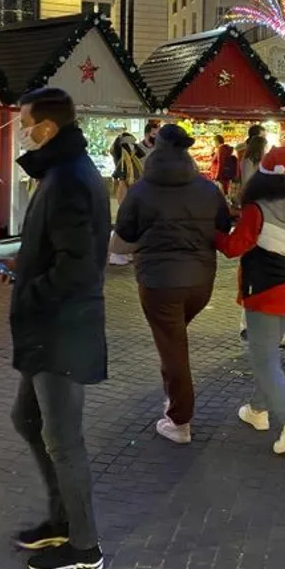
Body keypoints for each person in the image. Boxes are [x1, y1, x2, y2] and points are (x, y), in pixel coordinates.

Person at [7, 88, 108, 569]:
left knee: (64, 440)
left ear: (46, 127)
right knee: (27, 419)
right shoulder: (62, 172)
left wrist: (31, 292)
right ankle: (61, 519)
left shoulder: (67, 178)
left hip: (62, 328)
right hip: (51, 325)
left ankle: (85, 547)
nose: (21, 131)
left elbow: (77, 265)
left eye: (25, 122)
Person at [113, 124, 231, 445]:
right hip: (201, 282)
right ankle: (173, 401)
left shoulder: (141, 191)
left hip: (159, 283)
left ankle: (180, 419)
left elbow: (122, 241)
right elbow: (223, 227)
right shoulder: (208, 189)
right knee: (172, 341)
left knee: (173, 347)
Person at [216, 146, 285, 455]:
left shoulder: (256, 209)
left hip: (263, 292)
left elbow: (234, 247)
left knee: (264, 358)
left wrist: (212, 233)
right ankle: (258, 411)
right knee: (271, 354)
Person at [108, 132, 142, 266]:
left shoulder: (132, 160)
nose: (134, 147)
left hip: (133, 197)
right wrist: (124, 201)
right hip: (129, 197)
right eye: (131, 144)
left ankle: (125, 252)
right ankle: (117, 253)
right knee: (124, 225)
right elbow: (122, 183)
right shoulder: (124, 162)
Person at [238, 125, 268, 195]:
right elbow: (246, 179)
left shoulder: (257, 155)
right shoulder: (244, 152)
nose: (265, 139)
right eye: (262, 136)